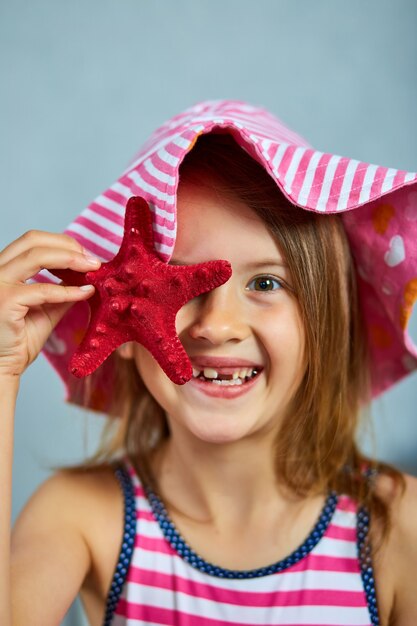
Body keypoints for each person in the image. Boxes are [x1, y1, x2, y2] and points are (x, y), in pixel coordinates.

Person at [1, 100, 417, 626]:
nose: (217, 326)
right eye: (175, 284)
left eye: (265, 283)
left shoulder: (398, 527)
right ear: (117, 327)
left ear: (324, 320)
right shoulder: (81, 516)